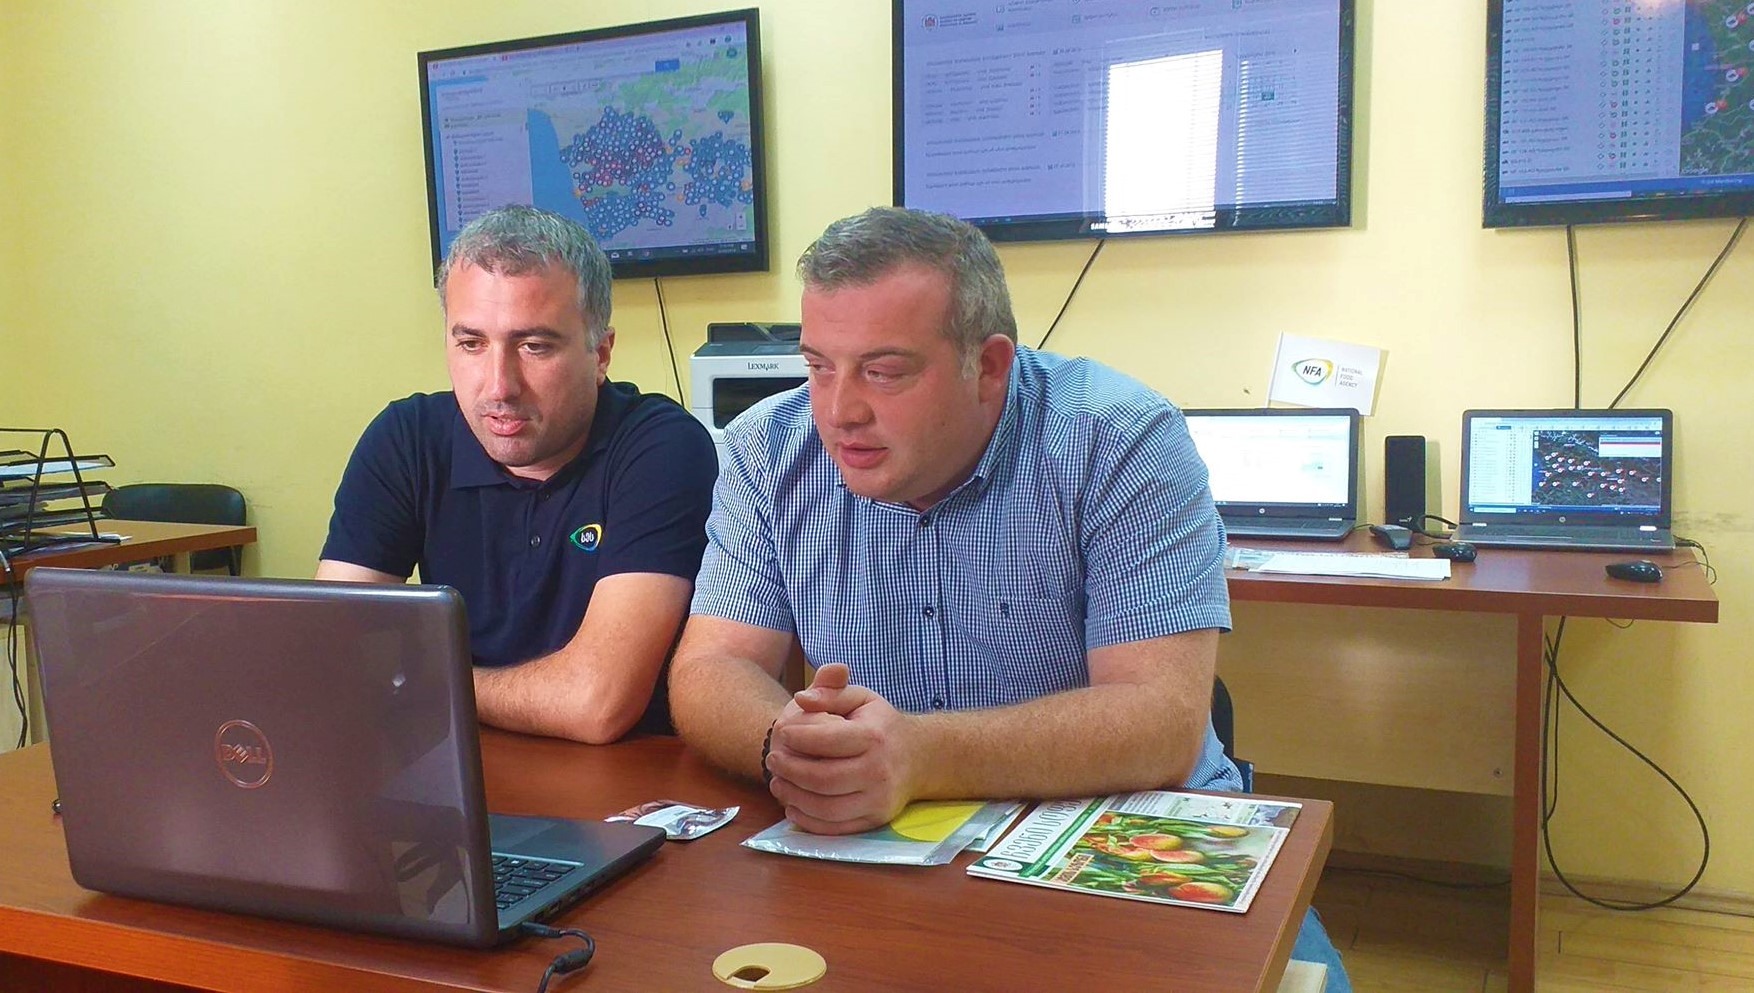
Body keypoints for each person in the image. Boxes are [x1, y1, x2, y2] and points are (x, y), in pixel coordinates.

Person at [668, 206, 1348, 989]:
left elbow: (1162, 719)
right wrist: (784, 744)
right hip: (891, 842)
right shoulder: (766, 448)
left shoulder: (1121, 438)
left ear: (989, 366)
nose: (838, 411)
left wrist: (921, 755)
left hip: (1131, 827)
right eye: (819, 366)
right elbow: (710, 667)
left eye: (883, 372)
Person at [318, 205, 716, 744]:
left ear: (600, 354)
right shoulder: (407, 438)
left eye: (534, 346)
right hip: (455, 764)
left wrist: (420, 685)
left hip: (620, 781)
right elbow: (332, 648)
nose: (499, 386)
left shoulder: (662, 447)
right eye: (471, 344)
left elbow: (595, 703)